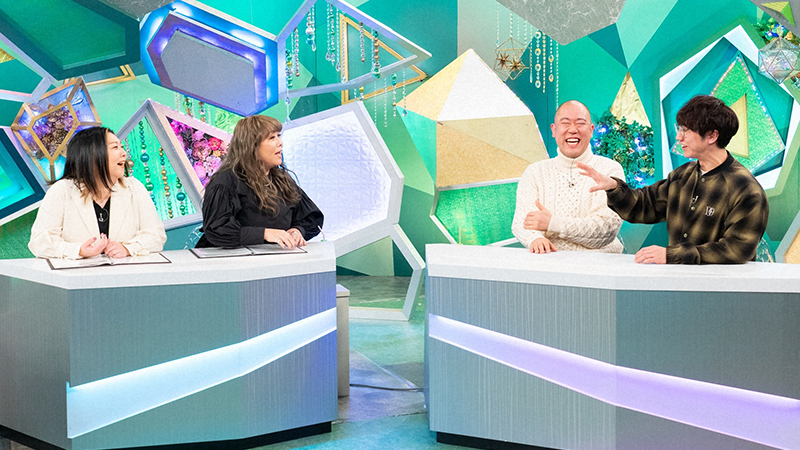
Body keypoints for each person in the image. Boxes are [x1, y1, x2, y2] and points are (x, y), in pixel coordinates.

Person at [578, 95, 769, 264]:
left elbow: (737, 249)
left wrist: (673, 255)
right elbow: (644, 205)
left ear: (712, 135)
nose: (678, 137)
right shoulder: (682, 176)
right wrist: (614, 188)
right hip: (676, 285)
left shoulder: (746, 189)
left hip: (720, 289)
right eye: (679, 129)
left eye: (686, 130)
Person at [29, 126, 166, 259]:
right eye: (115, 147)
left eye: (122, 147)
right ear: (92, 154)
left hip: (124, 273)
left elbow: (156, 235)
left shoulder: (135, 187)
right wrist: (79, 250)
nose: (123, 153)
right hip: (78, 273)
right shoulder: (62, 190)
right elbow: (39, 242)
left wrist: (127, 249)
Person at [512, 100, 624, 254]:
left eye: (580, 123)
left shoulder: (610, 170)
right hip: (549, 261)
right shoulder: (535, 172)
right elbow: (522, 221)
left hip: (599, 264)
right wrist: (534, 238)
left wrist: (552, 223)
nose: (572, 130)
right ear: (554, 130)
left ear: (591, 130)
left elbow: (606, 231)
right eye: (565, 123)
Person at [196, 115, 323, 249]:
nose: (280, 142)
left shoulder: (282, 179)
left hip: (273, 258)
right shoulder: (226, 181)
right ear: (252, 146)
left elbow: (312, 218)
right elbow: (217, 229)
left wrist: (297, 230)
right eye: (272, 138)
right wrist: (264, 234)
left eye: (278, 136)